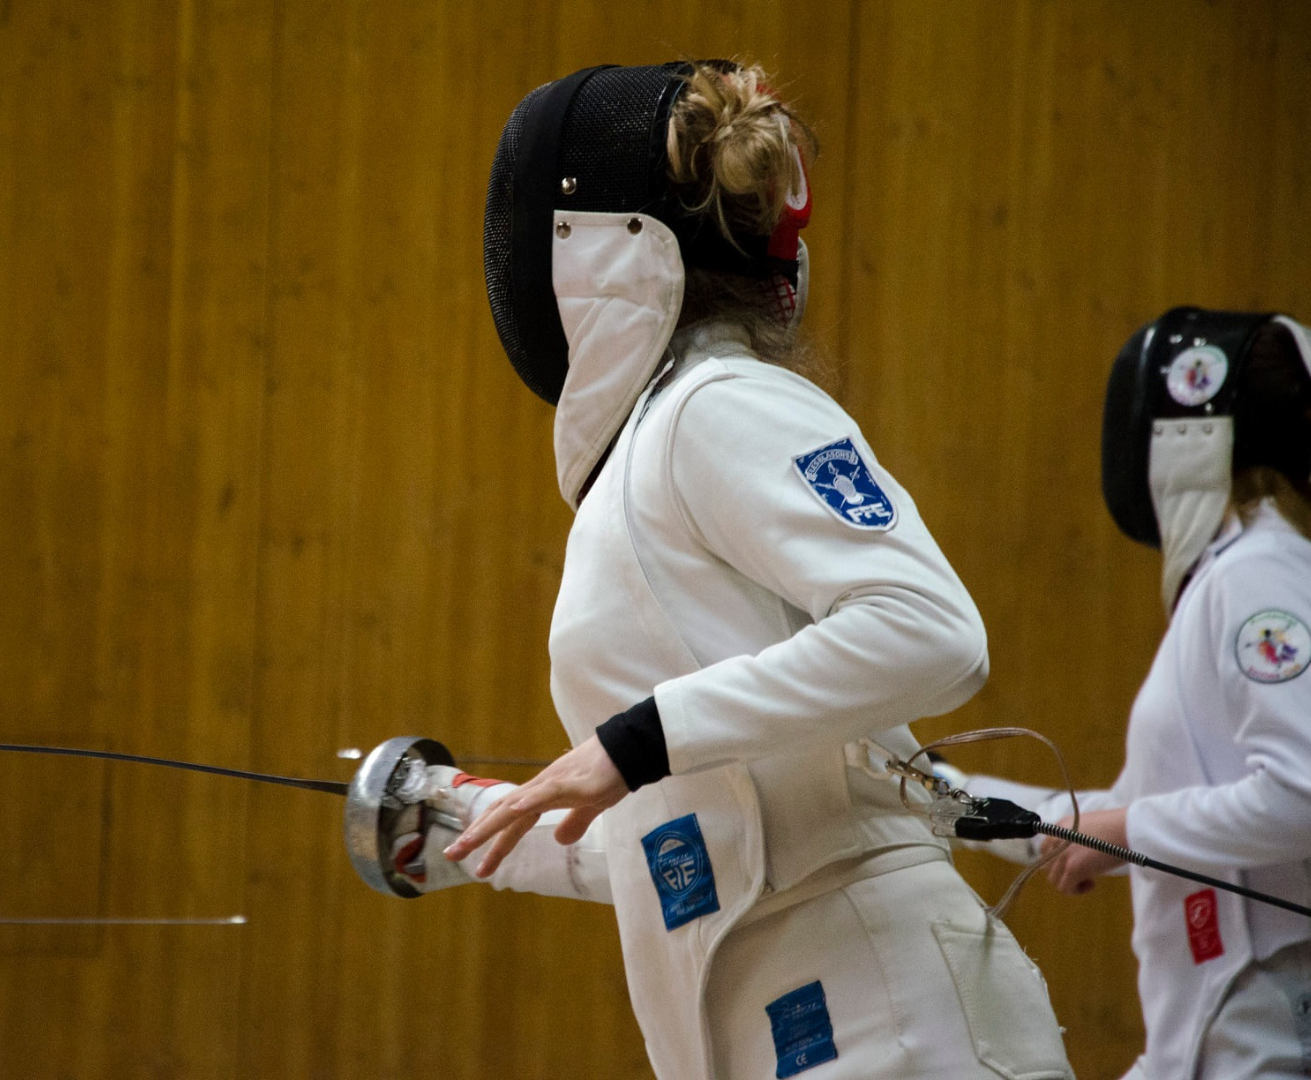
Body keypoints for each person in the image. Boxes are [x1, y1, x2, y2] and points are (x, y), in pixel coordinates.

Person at [398, 60, 1074, 1079]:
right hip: (805, 1026)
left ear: (597, 248)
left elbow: (930, 629)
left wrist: (634, 741)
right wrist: (454, 818)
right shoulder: (648, 454)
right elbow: (702, 838)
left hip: (895, 1016)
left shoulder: (716, 403)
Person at [958, 308, 1311, 1079]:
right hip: (1210, 1038)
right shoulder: (1241, 572)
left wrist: (1122, 828)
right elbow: (1128, 818)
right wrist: (941, 797)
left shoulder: (1260, 571)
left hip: (1263, 1035)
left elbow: (1302, 796)